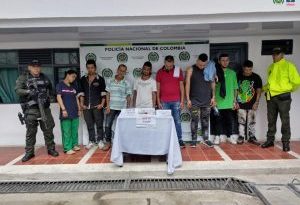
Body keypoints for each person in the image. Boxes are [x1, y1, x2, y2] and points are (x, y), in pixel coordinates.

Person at [15, 59, 59, 162]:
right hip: (31, 110)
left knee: (48, 130)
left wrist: (48, 97)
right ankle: (29, 153)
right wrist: (29, 91)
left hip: (44, 108)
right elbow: (17, 90)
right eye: (34, 66)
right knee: (31, 132)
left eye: (38, 66)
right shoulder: (23, 77)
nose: (36, 68)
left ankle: (51, 149)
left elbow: (51, 90)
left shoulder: (44, 77)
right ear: (29, 67)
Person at [261, 47, 300, 152]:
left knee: (285, 120)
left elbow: (297, 82)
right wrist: (262, 89)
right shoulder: (271, 67)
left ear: (282, 54)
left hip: (284, 97)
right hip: (271, 97)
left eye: (277, 54)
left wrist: (287, 90)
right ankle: (270, 140)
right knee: (271, 120)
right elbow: (270, 83)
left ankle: (286, 143)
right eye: (273, 54)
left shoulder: (289, 66)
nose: (274, 56)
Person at [185, 53, 216, 148]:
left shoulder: (210, 69)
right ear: (197, 60)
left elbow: (213, 83)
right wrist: (188, 99)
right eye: (200, 64)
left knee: (205, 120)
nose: (202, 66)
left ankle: (206, 139)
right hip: (194, 100)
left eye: (204, 65)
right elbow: (187, 84)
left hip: (206, 100)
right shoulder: (191, 69)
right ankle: (193, 140)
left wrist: (213, 97)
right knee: (194, 119)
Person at [156, 55, 185, 148]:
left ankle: (179, 140)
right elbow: (158, 88)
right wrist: (158, 101)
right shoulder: (159, 72)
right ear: (164, 63)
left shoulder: (177, 70)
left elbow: (181, 86)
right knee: (165, 122)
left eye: (170, 66)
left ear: (173, 63)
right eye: (167, 65)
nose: (169, 67)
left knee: (177, 121)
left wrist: (182, 101)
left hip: (176, 100)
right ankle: (165, 140)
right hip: (164, 101)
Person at [210, 53, 239, 145]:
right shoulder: (215, 73)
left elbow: (235, 88)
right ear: (219, 61)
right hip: (218, 102)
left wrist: (235, 100)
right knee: (217, 121)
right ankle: (217, 137)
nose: (225, 62)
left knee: (229, 121)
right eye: (223, 60)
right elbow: (212, 87)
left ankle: (230, 137)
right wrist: (213, 99)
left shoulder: (232, 73)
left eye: (227, 60)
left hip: (229, 102)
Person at [104, 64, 132, 151]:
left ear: (125, 72)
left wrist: (127, 109)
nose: (121, 72)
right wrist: (107, 106)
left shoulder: (127, 83)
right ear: (117, 70)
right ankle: (108, 143)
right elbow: (108, 93)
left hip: (122, 108)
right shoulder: (110, 80)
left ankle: (122, 143)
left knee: (123, 126)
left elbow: (128, 96)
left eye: (124, 71)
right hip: (111, 107)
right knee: (107, 125)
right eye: (120, 70)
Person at [79, 60, 106, 150]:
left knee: (99, 124)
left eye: (92, 68)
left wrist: (101, 104)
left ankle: (100, 140)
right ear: (87, 68)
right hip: (86, 106)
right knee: (89, 124)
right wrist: (82, 104)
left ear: (95, 68)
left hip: (97, 105)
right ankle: (91, 141)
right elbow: (82, 93)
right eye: (88, 68)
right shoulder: (83, 79)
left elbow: (103, 93)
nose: (90, 69)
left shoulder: (100, 79)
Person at [236, 60, 262, 145]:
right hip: (240, 103)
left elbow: (259, 90)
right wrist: (235, 101)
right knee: (241, 121)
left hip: (252, 104)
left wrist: (257, 102)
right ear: (243, 68)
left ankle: (252, 137)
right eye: (246, 69)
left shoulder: (256, 77)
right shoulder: (238, 76)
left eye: (250, 69)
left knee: (252, 121)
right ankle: (241, 136)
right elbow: (235, 89)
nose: (248, 71)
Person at [56, 70, 81, 154]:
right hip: (66, 112)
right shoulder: (60, 85)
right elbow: (59, 97)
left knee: (74, 130)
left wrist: (79, 109)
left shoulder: (74, 86)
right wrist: (63, 109)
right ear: (67, 75)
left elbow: (76, 98)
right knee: (67, 131)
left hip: (74, 111)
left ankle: (74, 145)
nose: (74, 79)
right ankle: (67, 148)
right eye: (73, 76)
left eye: (75, 77)